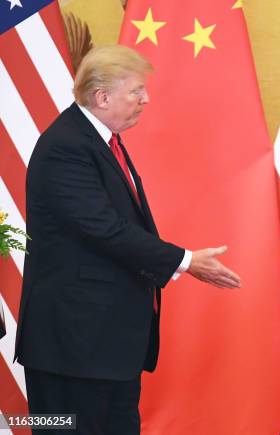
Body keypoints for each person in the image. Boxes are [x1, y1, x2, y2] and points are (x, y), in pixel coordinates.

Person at [14, 45, 241, 434]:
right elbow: (104, 228)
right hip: (73, 347)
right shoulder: (66, 147)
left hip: (104, 344)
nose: (146, 99)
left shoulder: (99, 141)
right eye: (136, 91)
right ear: (103, 97)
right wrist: (185, 260)